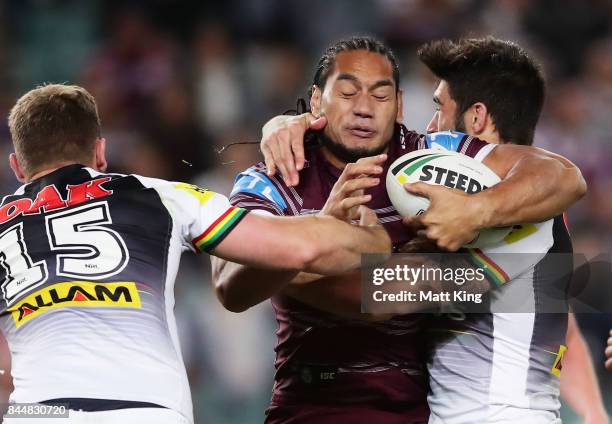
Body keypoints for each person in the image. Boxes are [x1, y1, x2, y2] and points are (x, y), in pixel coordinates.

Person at [212, 36, 596, 423]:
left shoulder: (469, 186)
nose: (363, 108)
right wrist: (321, 233)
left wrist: (472, 213)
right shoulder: (275, 178)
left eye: (380, 96)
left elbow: (562, 174)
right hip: (312, 408)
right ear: (316, 101)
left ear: (397, 106)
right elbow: (230, 285)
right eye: (347, 92)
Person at [0, 84, 391, 424]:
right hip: (146, 410)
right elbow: (300, 249)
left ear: (17, 166)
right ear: (100, 152)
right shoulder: (162, 195)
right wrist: (376, 238)